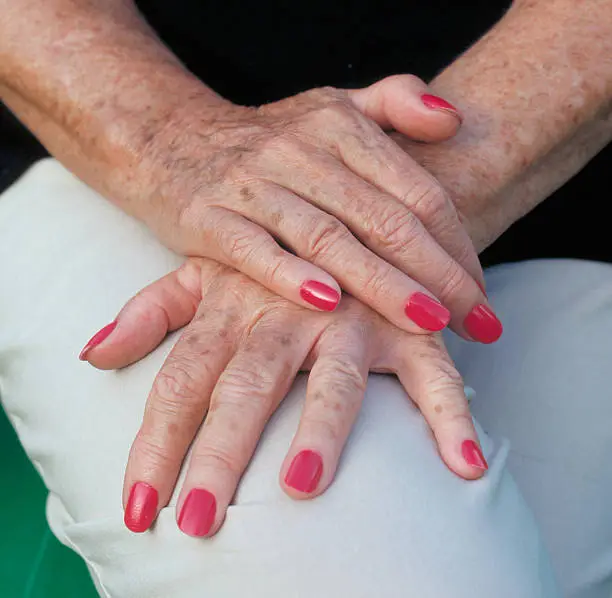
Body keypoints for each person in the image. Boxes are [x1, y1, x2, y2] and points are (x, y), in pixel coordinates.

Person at [0, 0, 611, 596]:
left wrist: (378, 217)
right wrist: (181, 145)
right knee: (335, 561)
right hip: (113, 159)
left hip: (568, 195)